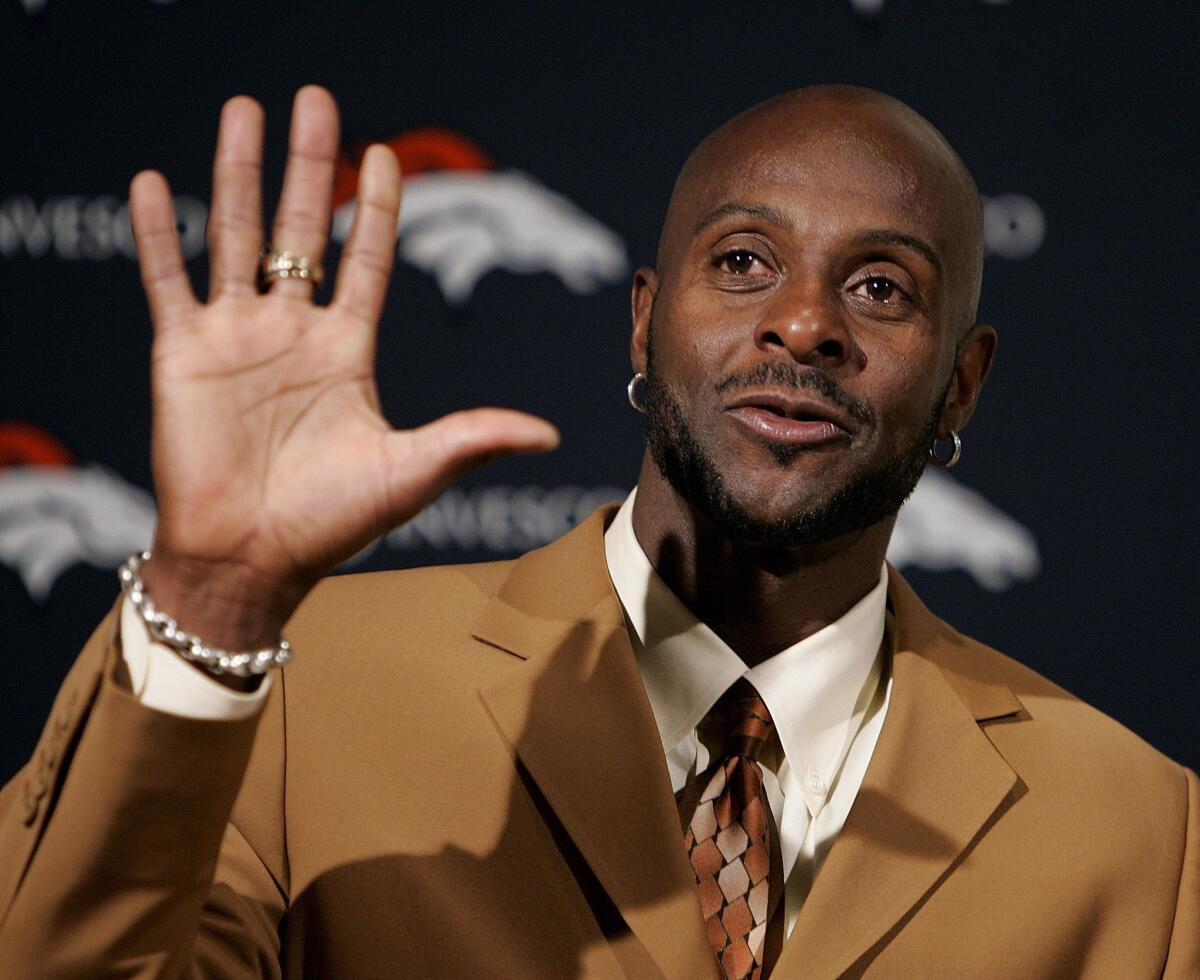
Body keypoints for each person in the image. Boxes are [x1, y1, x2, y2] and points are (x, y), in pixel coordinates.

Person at [0, 84, 1194, 979]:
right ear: (644, 322)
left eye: (881, 287)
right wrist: (209, 600)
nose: (802, 321)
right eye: (742, 260)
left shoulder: (1140, 829)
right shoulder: (304, 691)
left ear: (962, 387)